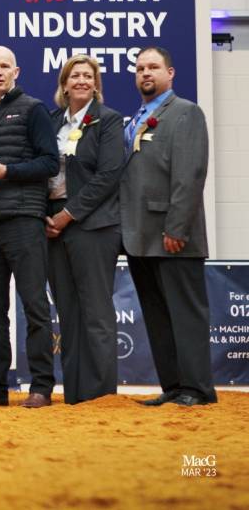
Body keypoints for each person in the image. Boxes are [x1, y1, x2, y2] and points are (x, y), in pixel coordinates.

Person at [0, 45, 59, 408]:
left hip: (24, 222)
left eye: (5, 66)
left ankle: (41, 388)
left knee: (35, 307)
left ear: (16, 72)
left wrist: (8, 172)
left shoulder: (34, 110)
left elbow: (50, 163)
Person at [121, 46, 217, 407]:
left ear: (170, 73)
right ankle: (174, 385)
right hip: (140, 236)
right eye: (140, 68)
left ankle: (197, 389)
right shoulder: (137, 117)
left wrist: (177, 227)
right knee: (158, 316)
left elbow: (189, 175)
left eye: (153, 67)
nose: (146, 73)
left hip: (173, 235)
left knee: (186, 315)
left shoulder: (185, 112)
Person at [44, 54, 124, 404]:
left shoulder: (108, 120)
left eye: (88, 76)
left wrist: (69, 214)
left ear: (96, 84)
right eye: (74, 76)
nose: (81, 81)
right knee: (68, 312)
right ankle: (76, 394)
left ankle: (101, 394)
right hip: (53, 226)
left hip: (93, 225)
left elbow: (109, 175)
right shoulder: (51, 122)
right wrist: (46, 216)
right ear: (64, 85)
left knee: (96, 311)